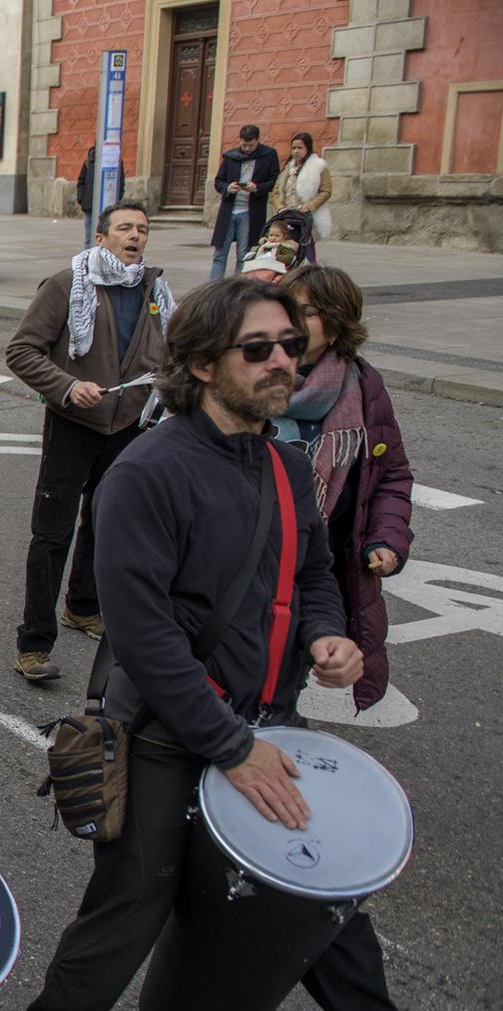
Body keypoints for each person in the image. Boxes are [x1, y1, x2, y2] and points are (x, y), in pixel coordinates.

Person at [9, 275, 494, 1011]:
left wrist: (325, 637)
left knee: (324, 896)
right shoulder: (144, 473)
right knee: (134, 899)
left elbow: (310, 572)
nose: (283, 362)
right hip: (166, 732)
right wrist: (232, 745)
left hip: (269, 721)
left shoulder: (284, 462)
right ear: (200, 363)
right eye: (258, 349)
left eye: (290, 347)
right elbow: (144, 636)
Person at [5, 202, 174, 683]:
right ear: (101, 237)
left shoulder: (154, 289)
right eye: (124, 228)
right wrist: (66, 385)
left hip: (127, 424)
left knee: (106, 523)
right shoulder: (66, 284)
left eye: (142, 229)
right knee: (52, 535)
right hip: (73, 422)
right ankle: (33, 645)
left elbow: (167, 351)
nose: (135, 236)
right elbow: (21, 350)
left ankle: (82, 607)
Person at [279, 263, 412, 711]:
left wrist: (386, 540)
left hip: (315, 567)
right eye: (287, 308)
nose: (293, 321)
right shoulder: (249, 371)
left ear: (337, 326)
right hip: (241, 564)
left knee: (283, 685)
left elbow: (391, 474)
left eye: (309, 312)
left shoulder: (363, 387)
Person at [209, 124, 281, 281]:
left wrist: (257, 187)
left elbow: (274, 181)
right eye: (244, 145)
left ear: (258, 140)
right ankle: (212, 288)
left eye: (251, 145)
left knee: (244, 254)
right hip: (229, 210)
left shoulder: (268, 155)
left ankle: (238, 287)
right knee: (220, 253)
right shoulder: (230, 157)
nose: (247, 149)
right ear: (239, 140)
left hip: (251, 211)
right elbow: (218, 181)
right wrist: (228, 187)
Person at [277, 132, 333, 242]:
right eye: (293, 148)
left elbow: (326, 191)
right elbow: (276, 191)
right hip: (286, 213)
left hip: (305, 213)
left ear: (307, 148)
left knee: (306, 245)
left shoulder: (318, 166)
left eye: (300, 148)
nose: (296, 151)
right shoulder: (288, 168)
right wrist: (280, 207)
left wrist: (309, 206)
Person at [75, 146, 126, 249]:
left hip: (108, 205)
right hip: (89, 204)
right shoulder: (89, 161)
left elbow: (120, 183)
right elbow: (81, 181)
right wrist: (81, 198)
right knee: (90, 237)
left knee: (107, 235)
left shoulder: (116, 161)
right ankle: (88, 259)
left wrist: (117, 199)